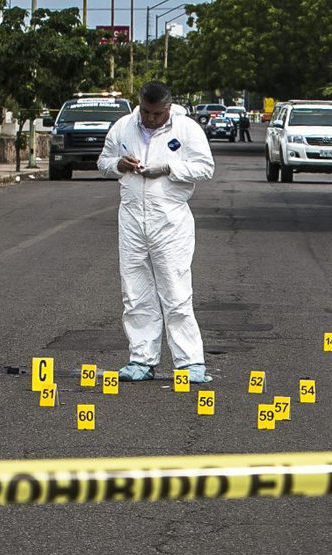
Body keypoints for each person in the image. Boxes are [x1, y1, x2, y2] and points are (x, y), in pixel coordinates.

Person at [97, 81, 217, 382]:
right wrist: (119, 164)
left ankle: (189, 363)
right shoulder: (124, 127)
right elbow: (103, 162)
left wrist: (168, 168)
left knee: (175, 291)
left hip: (170, 219)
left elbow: (205, 167)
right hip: (132, 218)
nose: (152, 119)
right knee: (135, 292)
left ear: (169, 107)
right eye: (147, 113)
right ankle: (141, 359)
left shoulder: (187, 129)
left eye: (158, 114)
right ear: (140, 104)